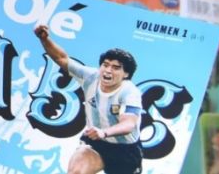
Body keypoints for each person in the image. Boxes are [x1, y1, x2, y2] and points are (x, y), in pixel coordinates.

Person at [34, 26, 143, 174]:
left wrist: (104, 132)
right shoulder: (90, 77)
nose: (108, 70)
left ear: (126, 74)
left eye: (116, 68)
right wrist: (44, 39)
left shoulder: (129, 92)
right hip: (95, 143)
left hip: (125, 152)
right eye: (105, 65)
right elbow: (61, 58)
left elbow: (129, 124)